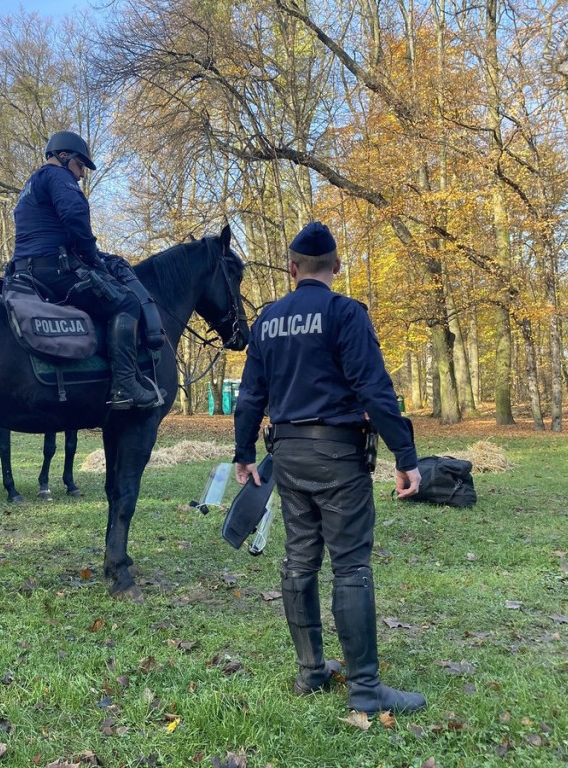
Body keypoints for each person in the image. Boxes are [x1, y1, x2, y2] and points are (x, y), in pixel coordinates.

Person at [232, 221, 426, 715]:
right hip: (339, 455)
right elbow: (375, 391)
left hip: (289, 455)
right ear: (336, 267)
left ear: (292, 269)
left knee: (299, 560)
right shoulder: (345, 314)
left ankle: (311, 670)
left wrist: (243, 452)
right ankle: (364, 687)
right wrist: (406, 456)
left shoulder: (268, 320)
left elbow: (251, 394)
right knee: (351, 565)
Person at [8, 130, 162, 409]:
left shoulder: (31, 183)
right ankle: (124, 386)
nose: (81, 174)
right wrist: (93, 257)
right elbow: (75, 216)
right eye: (80, 166)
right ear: (63, 156)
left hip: (25, 272)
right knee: (126, 302)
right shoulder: (59, 177)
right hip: (53, 270)